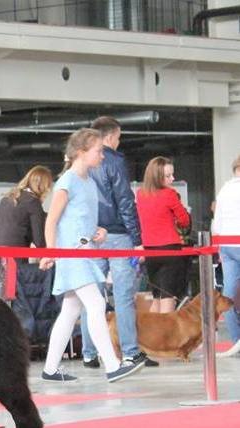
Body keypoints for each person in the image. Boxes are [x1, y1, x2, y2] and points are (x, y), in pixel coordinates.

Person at [38, 128, 145, 383]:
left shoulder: (88, 182)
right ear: (81, 152)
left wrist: (98, 230)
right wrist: (51, 251)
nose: (102, 156)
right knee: (96, 304)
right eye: (98, 151)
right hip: (72, 254)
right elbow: (51, 220)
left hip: (84, 252)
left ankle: (50, 368)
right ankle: (113, 365)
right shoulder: (67, 182)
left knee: (70, 310)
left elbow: (78, 218)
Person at [79, 116, 156, 369]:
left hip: (91, 236)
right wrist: (137, 239)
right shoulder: (115, 161)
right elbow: (124, 201)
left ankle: (89, 353)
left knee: (92, 296)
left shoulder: (82, 162)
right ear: (111, 136)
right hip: (118, 235)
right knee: (123, 296)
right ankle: (131, 352)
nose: (118, 142)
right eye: (119, 137)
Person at [0, 165, 53, 289]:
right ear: (44, 186)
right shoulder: (33, 202)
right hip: (10, 260)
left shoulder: (9, 197)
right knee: (10, 295)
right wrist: (50, 254)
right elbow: (39, 240)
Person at [136, 157, 191, 313]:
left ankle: (153, 329)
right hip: (170, 249)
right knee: (168, 296)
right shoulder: (170, 194)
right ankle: (167, 329)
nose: (172, 179)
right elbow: (184, 221)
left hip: (150, 250)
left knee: (156, 296)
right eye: (168, 176)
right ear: (156, 176)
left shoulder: (140, 194)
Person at [213, 154, 240, 354]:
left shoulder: (224, 189)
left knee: (229, 292)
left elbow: (217, 222)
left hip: (226, 244)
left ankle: (237, 339)